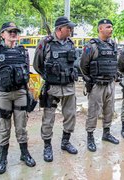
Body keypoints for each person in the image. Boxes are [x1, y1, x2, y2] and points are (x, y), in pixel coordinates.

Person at [0, 22, 36, 174]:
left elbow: (26, 73)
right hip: (3, 94)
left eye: (15, 31)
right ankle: (3, 159)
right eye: (10, 31)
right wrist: (2, 84)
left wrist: (29, 93)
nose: (13, 33)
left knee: (21, 126)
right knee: (4, 127)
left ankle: (24, 153)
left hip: (20, 92)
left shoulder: (23, 52)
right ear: (2, 34)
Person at [33, 16, 78, 162]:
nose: (71, 30)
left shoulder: (71, 44)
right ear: (60, 29)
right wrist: (50, 77)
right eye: (68, 28)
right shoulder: (45, 43)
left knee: (70, 115)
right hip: (52, 88)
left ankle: (65, 142)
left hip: (69, 87)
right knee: (48, 118)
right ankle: (47, 146)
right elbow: (37, 65)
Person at [80, 19, 119, 152]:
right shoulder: (91, 46)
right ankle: (90, 137)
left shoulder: (113, 45)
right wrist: (89, 81)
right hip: (97, 85)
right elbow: (83, 66)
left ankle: (106, 133)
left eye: (111, 27)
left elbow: (115, 63)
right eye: (108, 27)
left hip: (110, 84)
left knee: (109, 110)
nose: (111, 29)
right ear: (100, 29)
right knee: (93, 112)